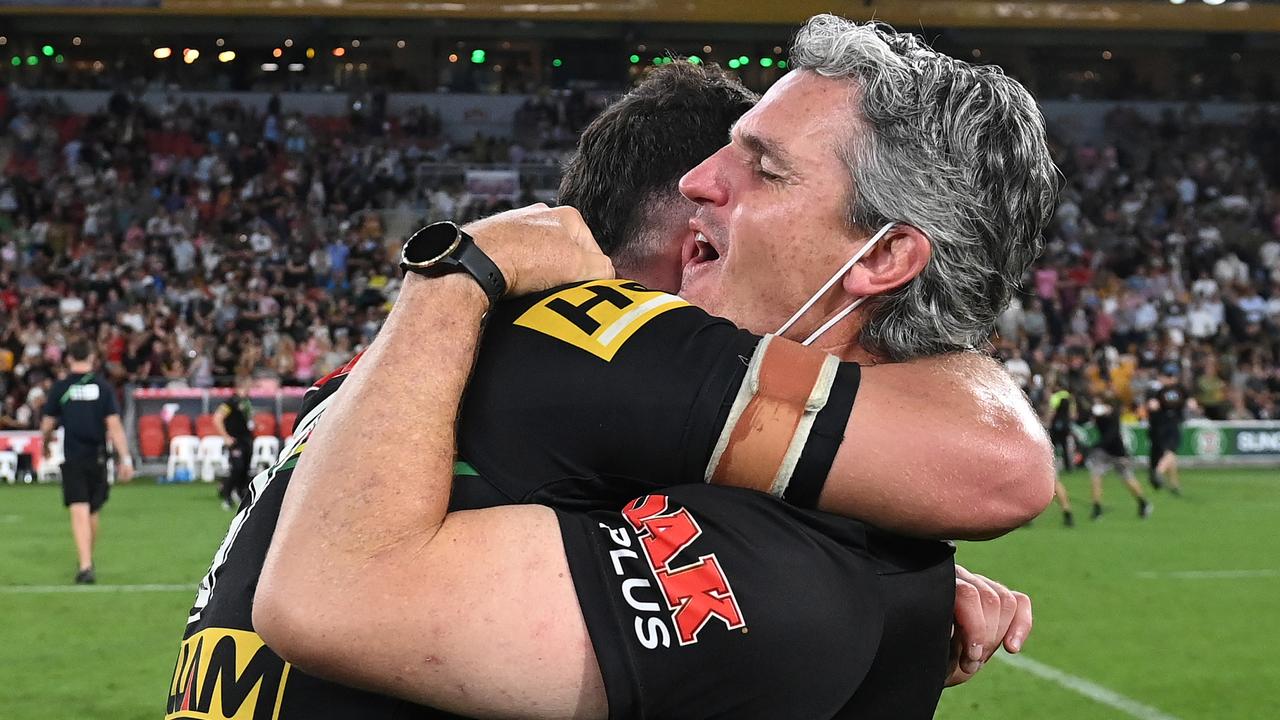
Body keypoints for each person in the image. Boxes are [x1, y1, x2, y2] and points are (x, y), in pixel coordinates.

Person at [255, 16, 1059, 719]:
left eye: (765, 168)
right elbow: (1004, 466)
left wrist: (899, 595)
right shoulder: (785, 572)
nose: (697, 182)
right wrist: (457, 269)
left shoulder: (528, 368)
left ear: (884, 256)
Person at [39, 338, 134, 584]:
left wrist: (46, 443)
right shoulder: (103, 387)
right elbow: (114, 425)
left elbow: (47, 424)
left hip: (74, 456)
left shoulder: (61, 388)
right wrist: (125, 458)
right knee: (91, 511)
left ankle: (85, 563)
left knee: (80, 510)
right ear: (92, 358)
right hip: (99, 459)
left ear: (69, 358)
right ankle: (86, 562)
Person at [1085, 391, 1153, 521]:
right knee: (1096, 476)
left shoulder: (1114, 416)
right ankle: (1097, 507)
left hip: (1117, 452)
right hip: (1103, 451)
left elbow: (1111, 435)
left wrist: (1094, 446)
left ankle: (1143, 502)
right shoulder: (1100, 416)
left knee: (1127, 478)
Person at [211, 375, 255, 509]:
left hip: (246, 439)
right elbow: (217, 418)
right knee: (237, 468)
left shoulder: (246, 401)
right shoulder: (231, 402)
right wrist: (226, 437)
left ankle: (242, 494)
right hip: (235, 440)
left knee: (245, 469)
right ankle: (227, 495)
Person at [1146, 361, 1188, 494]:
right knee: (1171, 452)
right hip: (1169, 424)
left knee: (1169, 454)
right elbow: (1152, 405)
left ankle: (1174, 484)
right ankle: (1159, 472)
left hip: (1156, 426)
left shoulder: (1155, 388)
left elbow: (1151, 405)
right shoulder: (1175, 389)